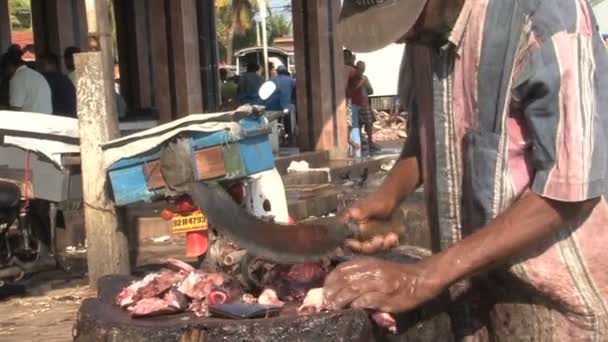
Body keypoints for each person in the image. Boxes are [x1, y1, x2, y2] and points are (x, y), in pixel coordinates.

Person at [325, 0, 608, 340]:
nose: (404, 37)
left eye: (410, 21)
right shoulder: (422, 38)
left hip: (557, 310)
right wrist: (387, 197)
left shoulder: (545, 16)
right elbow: (423, 134)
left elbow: (569, 190)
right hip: (473, 297)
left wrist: (422, 278)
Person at [0, 49, 52, 114]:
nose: (3, 73)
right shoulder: (35, 74)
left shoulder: (17, 78)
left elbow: (15, 111)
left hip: (31, 121)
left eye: (3, 69)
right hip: (47, 119)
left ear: (9, 66)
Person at [355, 60, 381, 154]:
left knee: (367, 124)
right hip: (358, 104)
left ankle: (369, 142)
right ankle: (363, 143)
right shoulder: (360, 78)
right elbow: (370, 90)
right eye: (361, 68)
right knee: (358, 125)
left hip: (363, 104)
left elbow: (370, 91)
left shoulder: (364, 78)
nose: (362, 70)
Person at [265, 65, 296, 142]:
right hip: (286, 106)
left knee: (275, 122)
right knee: (287, 120)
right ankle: (289, 137)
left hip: (273, 106)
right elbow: (294, 92)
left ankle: (276, 138)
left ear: (278, 72)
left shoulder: (272, 80)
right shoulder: (290, 80)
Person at [344, 49, 362, 158]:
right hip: (349, 101)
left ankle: (355, 150)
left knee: (351, 126)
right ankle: (354, 149)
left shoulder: (348, 69)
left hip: (349, 102)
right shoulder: (350, 69)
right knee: (350, 126)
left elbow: (361, 77)